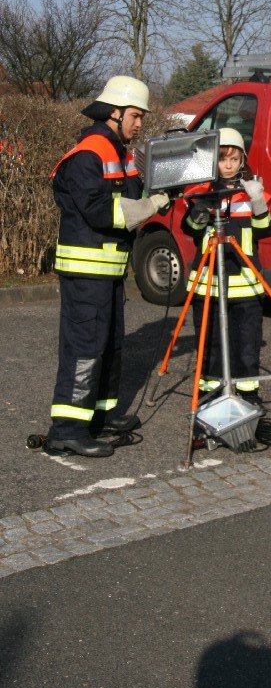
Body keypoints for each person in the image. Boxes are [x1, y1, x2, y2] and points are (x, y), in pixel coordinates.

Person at [47, 76, 170, 458]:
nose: (140, 123)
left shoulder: (118, 152)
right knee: (85, 349)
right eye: (135, 116)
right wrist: (150, 206)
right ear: (114, 113)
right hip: (87, 274)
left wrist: (159, 193)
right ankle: (67, 430)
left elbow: (133, 196)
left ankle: (100, 416)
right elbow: (101, 211)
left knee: (109, 345)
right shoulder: (89, 154)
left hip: (108, 273)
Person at [182, 128, 271, 413]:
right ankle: (209, 394)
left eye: (234, 159)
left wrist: (258, 201)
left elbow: (266, 229)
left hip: (245, 286)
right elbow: (190, 228)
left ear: (242, 160)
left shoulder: (251, 192)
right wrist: (202, 207)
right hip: (209, 285)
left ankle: (248, 396)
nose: (228, 165)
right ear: (213, 160)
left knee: (247, 346)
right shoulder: (199, 193)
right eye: (223, 159)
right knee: (210, 345)